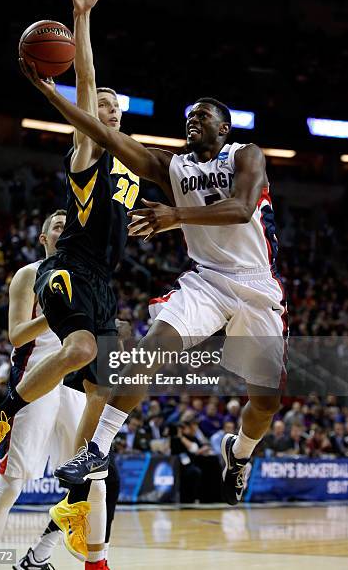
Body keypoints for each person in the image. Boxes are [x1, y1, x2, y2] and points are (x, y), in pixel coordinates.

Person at [16, 40, 288, 508]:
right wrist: (50, 94)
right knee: (148, 351)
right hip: (206, 280)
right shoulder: (171, 165)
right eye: (189, 116)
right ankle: (95, 450)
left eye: (202, 116)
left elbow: (242, 210)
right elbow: (104, 137)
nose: (192, 120)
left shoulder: (247, 155)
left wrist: (176, 217)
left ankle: (239, 453)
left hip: (257, 287)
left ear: (224, 127)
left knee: (265, 403)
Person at [0, 0, 129, 559]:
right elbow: (86, 85)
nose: (106, 110)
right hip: (71, 278)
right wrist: (83, 19)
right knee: (81, 350)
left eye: (114, 107)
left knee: (95, 448)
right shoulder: (88, 151)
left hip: (103, 285)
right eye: (100, 106)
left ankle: (88, 549)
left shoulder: (130, 168)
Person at [0, 210, 119, 570]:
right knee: (12, 482)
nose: (65, 230)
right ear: (44, 238)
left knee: (95, 478)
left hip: (76, 383)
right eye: (57, 225)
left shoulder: (86, 276)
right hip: (36, 376)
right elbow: (17, 335)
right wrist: (60, 313)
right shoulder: (28, 274)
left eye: (70, 226)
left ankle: (97, 563)